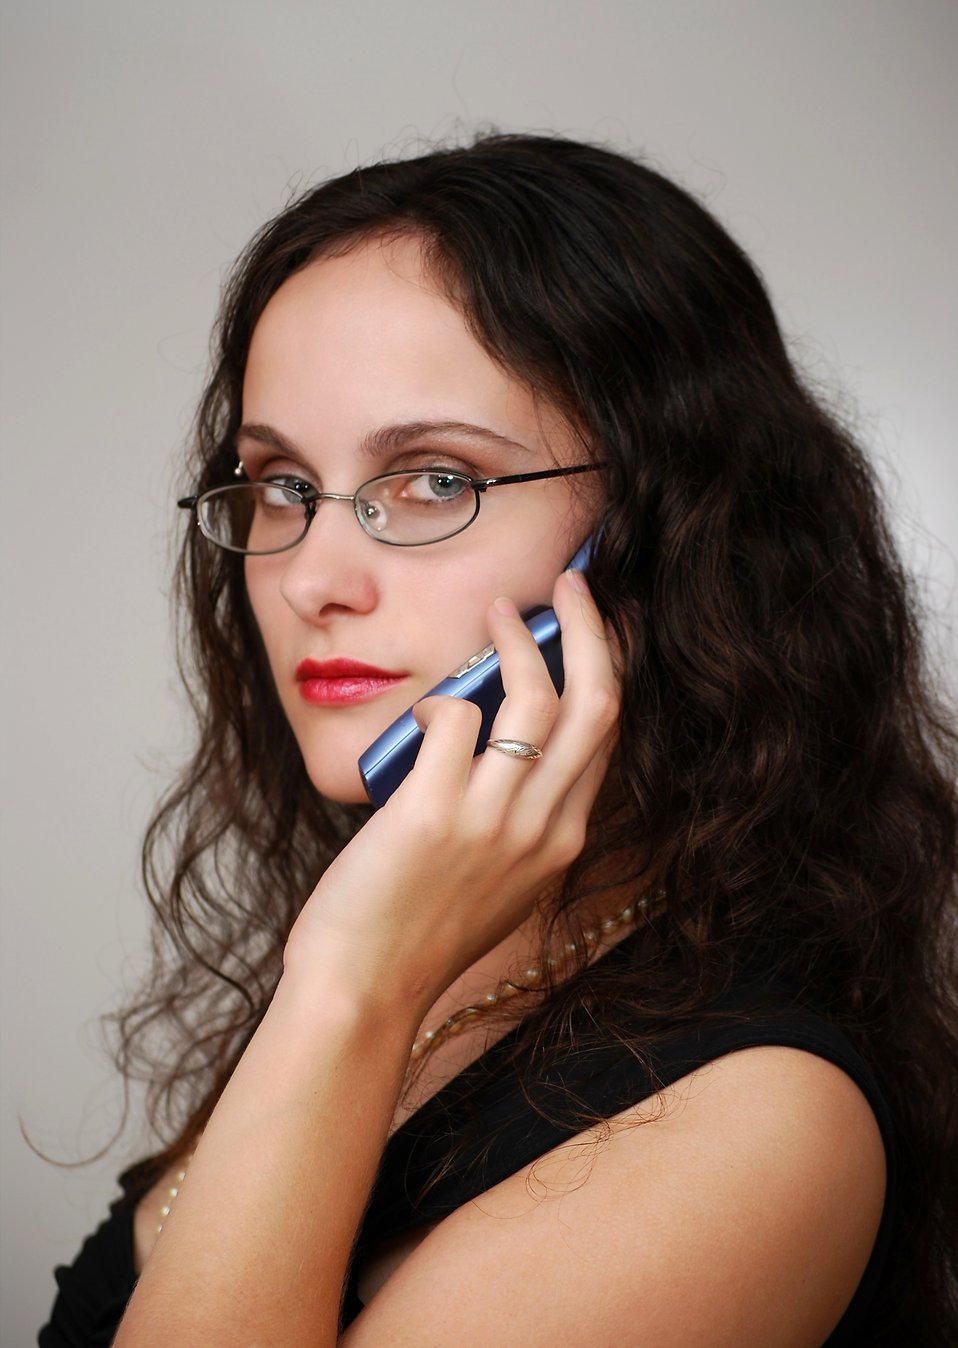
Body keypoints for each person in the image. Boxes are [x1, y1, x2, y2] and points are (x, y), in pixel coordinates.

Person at [40, 133, 958, 1347]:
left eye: (431, 479)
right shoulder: (425, 938)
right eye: (279, 483)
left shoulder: (759, 1125)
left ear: (662, 535)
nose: (311, 575)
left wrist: (349, 988)